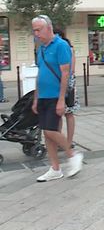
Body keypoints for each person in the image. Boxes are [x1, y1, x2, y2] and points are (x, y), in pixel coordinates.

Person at [31, 15, 83, 182]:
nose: (36, 34)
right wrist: (36, 98)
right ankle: (55, 168)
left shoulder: (61, 46)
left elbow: (66, 73)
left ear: (49, 28)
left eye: (38, 30)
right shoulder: (41, 49)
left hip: (55, 96)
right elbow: (40, 74)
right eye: (34, 30)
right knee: (47, 135)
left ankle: (72, 155)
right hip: (44, 97)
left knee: (50, 130)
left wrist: (61, 99)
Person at [54, 29, 79, 149]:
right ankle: (60, 140)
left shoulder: (67, 48)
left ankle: (68, 141)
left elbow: (71, 69)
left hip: (68, 84)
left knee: (68, 113)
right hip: (59, 83)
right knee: (59, 114)